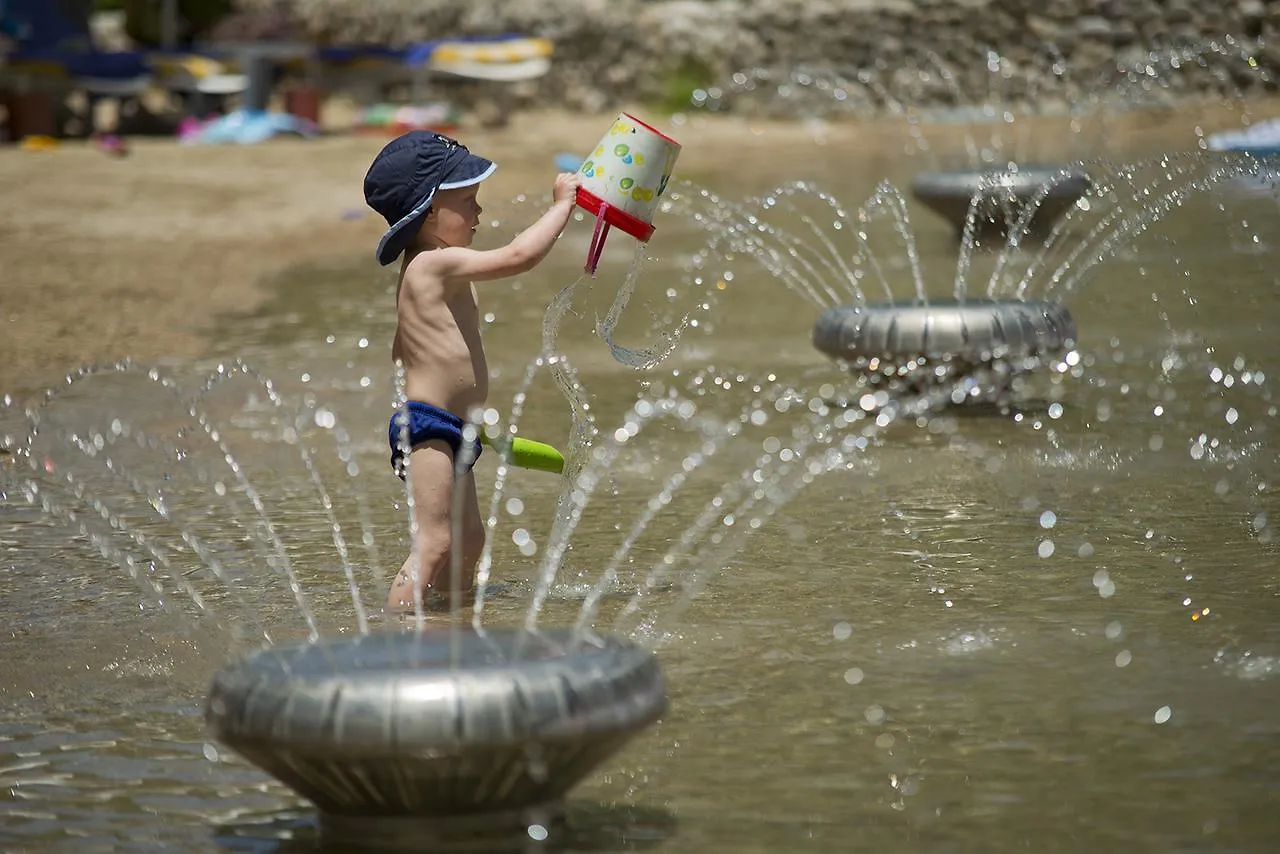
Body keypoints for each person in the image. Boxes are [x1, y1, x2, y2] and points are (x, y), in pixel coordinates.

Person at [363, 130, 580, 614]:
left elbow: (402, 348)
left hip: (454, 426)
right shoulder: (433, 265)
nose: (478, 212)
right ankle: (394, 629)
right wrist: (562, 207)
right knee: (436, 542)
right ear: (429, 212)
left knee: (470, 542)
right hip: (427, 427)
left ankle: (447, 619)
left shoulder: (428, 269)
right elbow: (518, 257)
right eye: (468, 201)